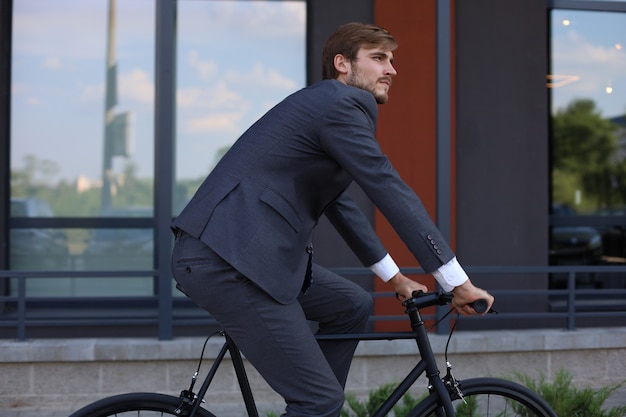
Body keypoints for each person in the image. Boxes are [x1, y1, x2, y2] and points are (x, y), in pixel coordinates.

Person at [171, 22, 494, 417]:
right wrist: (455, 281)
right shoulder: (339, 105)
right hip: (229, 259)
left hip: (248, 257)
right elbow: (387, 187)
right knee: (319, 399)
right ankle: (317, 405)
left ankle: (319, 409)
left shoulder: (323, 109)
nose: (391, 69)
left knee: (351, 305)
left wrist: (395, 279)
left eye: (391, 60)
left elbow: (342, 205)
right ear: (342, 64)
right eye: (378, 58)